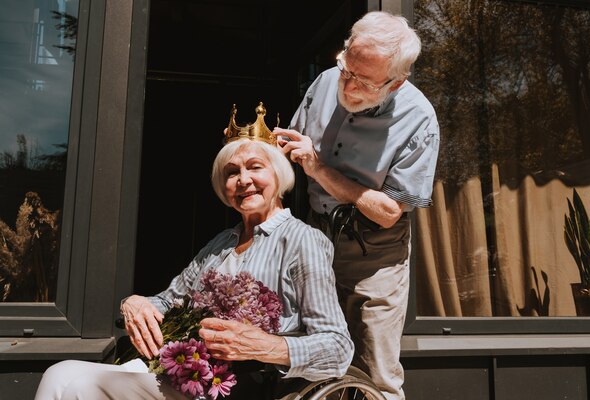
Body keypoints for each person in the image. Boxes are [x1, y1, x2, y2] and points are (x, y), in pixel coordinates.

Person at [35, 137, 354, 400]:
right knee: (59, 375)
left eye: (255, 167)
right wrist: (135, 303)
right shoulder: (220, 243)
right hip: (182, 369)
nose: (243, 179)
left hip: (240, 384)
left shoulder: (303, 241)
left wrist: (269, 346)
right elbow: (171, 299)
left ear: (280, 177)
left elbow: (337, 347)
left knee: (84, 389)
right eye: (232, 173)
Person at [273, 10, 439, 400]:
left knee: (375, 368)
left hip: (374, 249)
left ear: (395, 83)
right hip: (314, 233)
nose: (346, 85)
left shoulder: (419, 119)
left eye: (363, 82)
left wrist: (320, 169)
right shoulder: (327, 80)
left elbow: (388, 211)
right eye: (346, 68)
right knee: (306, 355)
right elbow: (292, 149)